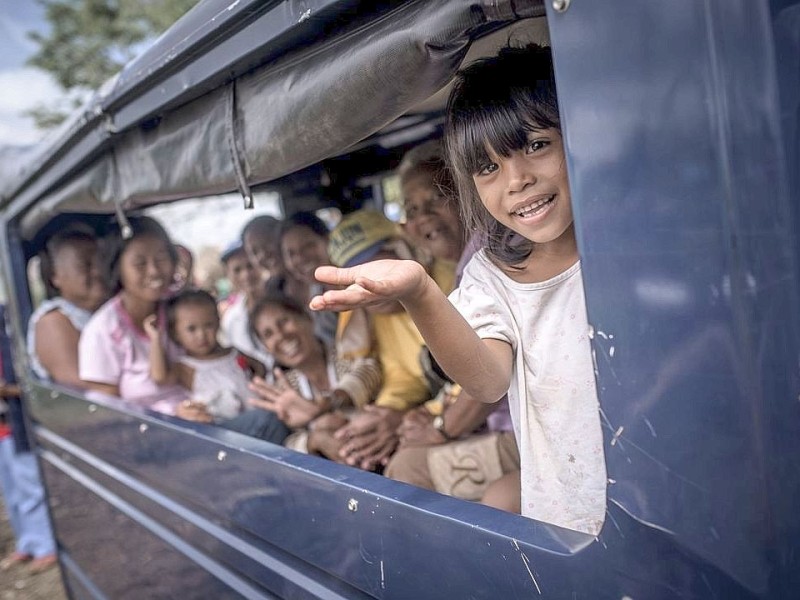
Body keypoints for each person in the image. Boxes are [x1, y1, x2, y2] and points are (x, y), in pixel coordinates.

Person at [311, 44, 606, 535]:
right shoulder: (492, 275)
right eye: (488, 168)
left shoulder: (634, 246)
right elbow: (488, 381)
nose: (517, 180)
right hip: (567, 516)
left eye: (535, 145)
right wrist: (420, 293)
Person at [387, 142, 520, 510]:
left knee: (405, 469)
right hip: (502, 427)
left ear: (467, 194)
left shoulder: (487, 253)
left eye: (436, 198)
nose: (423, 216)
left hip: (524, 435)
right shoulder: (462, 265)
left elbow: (489, 381)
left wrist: (441, 429)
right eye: (412, 209)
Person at [309, 210, 456, 471]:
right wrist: (381, 416)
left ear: (403, 253)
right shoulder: (379, 314)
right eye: (355, 278)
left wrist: (404, 419)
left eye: (376, 268)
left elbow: (477, 386)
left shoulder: (453, 281)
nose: (368, 285)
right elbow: (402, 376)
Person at [146, 289, 289, 443]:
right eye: (191, 329)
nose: (201, 335)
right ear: (176, 334)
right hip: (221, 428)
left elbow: (260, 367)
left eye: (208, 325)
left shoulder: (232, 353)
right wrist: (156, 338)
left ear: (218, 323)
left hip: (252, 417)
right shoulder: (186, 366)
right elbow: (159, 376)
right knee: (269, 419)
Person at [78, 216, 189, 415]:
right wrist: (176, 414)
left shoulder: (182, 308)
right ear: (117, 268)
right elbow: (108, 411)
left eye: (161, 259)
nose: (154, 271)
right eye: (140, 263)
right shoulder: (101, 331)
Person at [246, 293, 381, 454]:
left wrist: (327, 404)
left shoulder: (348, 353)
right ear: (266, 347)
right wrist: (314, 441)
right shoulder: (284, 390)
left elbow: (368, 371)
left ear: (307, 319)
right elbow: (287, 445)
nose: (281, 335)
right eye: (268, 334)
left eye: (284, 322)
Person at [1, 306, 56, 574]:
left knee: (30, 488)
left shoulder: (12, 332)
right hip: (1, 431)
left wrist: (8, 391)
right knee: (12, 493)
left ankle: (45, 546)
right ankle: (27, 543)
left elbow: (33, 382)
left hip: (16, 426)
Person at [27, 226, 108, 385]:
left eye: (102, 261)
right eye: (85, 265)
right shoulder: (53, 321)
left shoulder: (108, 310)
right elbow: (83, 389)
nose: (98, 271)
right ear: (55, 276)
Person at [278, 211, 338, 344]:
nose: (300, 258)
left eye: (307, 246)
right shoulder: (315, 301)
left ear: (327, 239)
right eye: (291, 254)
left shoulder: (357, 279)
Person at [218, 240, 272, 366]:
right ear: (228, 275)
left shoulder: (284, 301)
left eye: (250, 266)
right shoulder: (230, 320)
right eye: (237, 270)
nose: (246, 275)